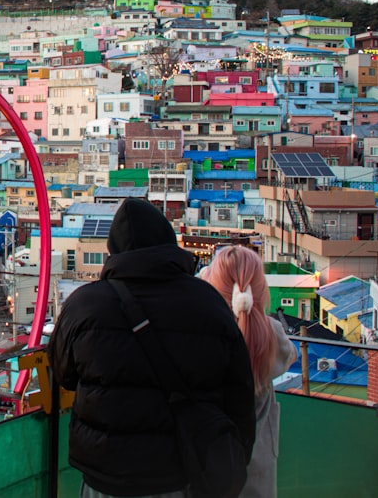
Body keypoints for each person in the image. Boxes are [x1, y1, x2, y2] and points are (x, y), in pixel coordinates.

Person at [48, 198, 256, 497]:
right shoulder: (208, 302)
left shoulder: (84, 304)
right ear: (168, 242)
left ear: (114, 249)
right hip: (181, 471)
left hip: (105, 473)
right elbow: (239, 394)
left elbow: (63, 373)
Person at [202, 246, 297, 497]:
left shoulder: (202, 332)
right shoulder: (271, 332)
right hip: (258, 465)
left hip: (207, 461)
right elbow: (290, 357)